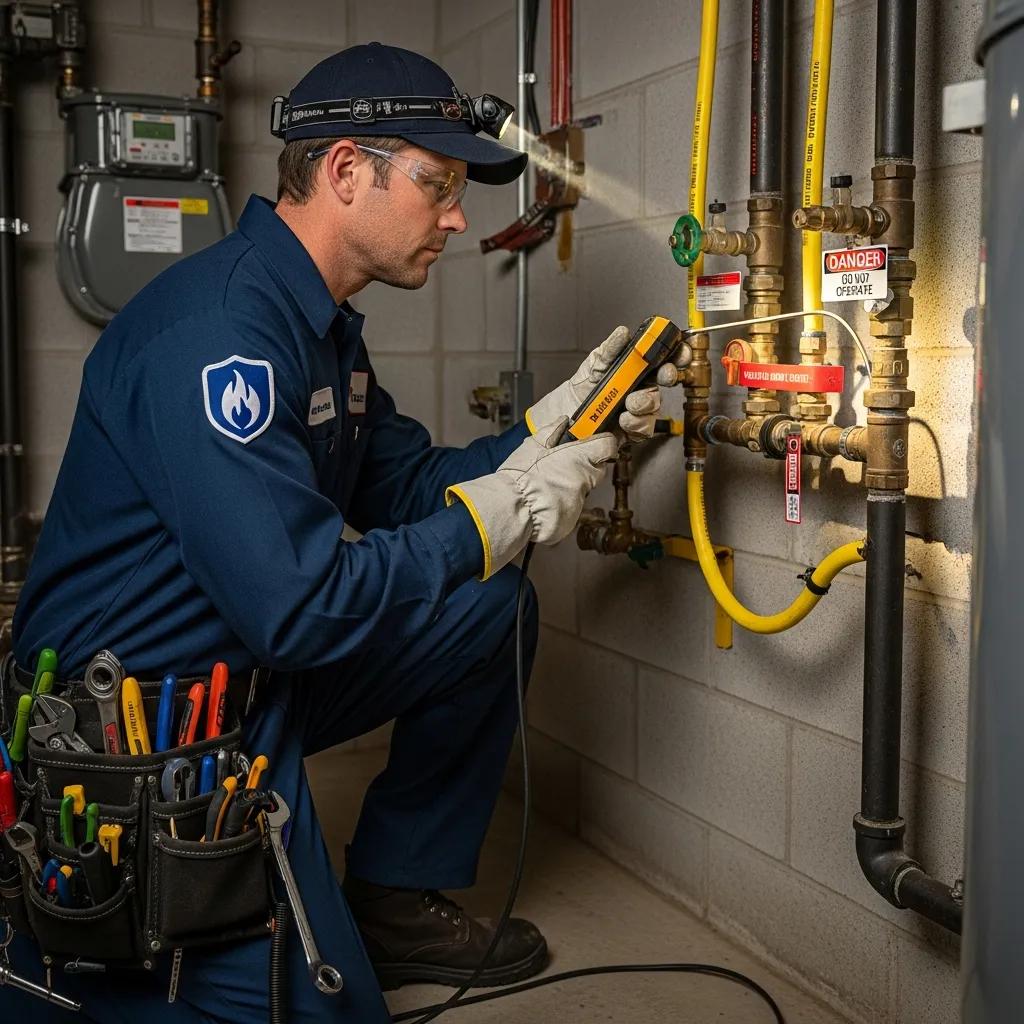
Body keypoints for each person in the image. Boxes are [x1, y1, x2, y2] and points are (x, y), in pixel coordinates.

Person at [3, 43, 678, 1021]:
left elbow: (408, 485)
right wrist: (492, 518)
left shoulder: (321, 330)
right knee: (319, 1008)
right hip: (143, 730)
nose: (456, 215)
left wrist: (544, 439)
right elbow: (300, 606)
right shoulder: (226, 333)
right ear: (346, 170)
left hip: (248, 675)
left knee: (488, 604)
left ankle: (395, 894)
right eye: (438, 183)